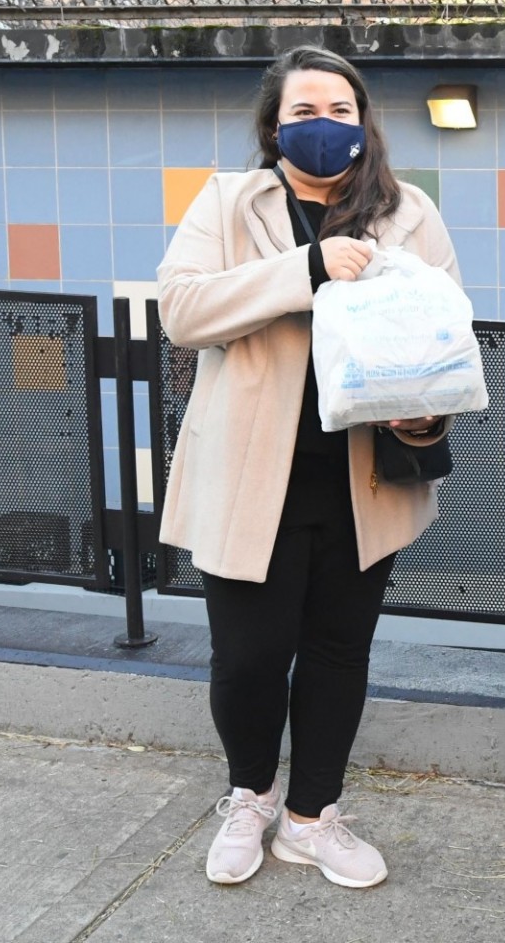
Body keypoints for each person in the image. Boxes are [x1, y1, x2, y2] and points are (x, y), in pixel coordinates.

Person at [158, 46, 462, 891]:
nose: (322, 126)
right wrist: (306, 268)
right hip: (249, 474)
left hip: (361, 478)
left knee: (338, 653)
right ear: (273, 126)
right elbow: (181, 310)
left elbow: (447, 329)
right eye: (303, 112)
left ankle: (310, 818)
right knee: (249, 659)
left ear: (363, 124)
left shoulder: (409, 212)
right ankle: (249, 797)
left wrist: (427, 409)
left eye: (339, 111)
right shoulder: (228, 202)